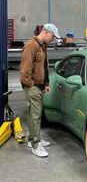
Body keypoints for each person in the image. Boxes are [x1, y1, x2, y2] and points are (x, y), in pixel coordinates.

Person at [20, 23, 60, 158]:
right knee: (36, 115)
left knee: (34, 114)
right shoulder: (31, 45)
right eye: (52, 36)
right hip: (32, 86)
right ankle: (36, 146)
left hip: (40, 85)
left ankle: (33, 139)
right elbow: (25, 70)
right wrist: (30, 85)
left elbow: (44, 66)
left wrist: (46, 83)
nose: (53, 39)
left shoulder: (43, 46)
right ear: (45, 32)